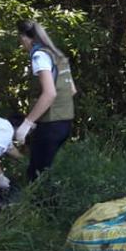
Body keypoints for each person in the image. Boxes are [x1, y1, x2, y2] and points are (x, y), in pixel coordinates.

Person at [16, 20, 76, 181]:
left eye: (20, 40)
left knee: (35, 177)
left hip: (50, 125)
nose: (21, 45)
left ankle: (43, 198)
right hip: (65, 122)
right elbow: (71, 90)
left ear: (25, 38)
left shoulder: (39, 56)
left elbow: (49, 93)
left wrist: (27, 123)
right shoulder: (57, 55)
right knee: (43, 172)